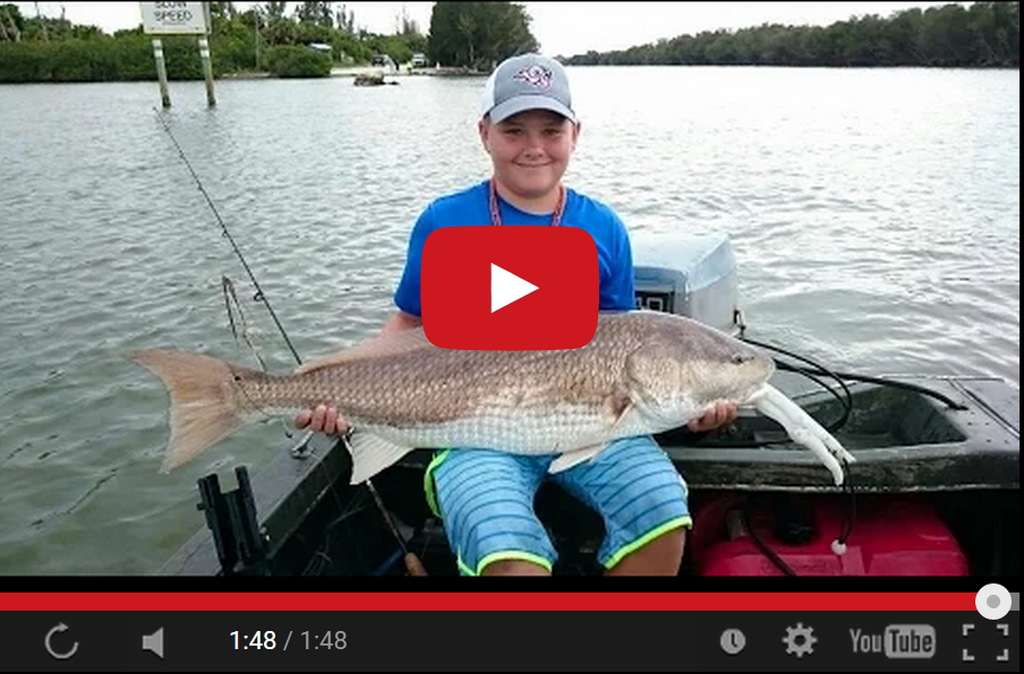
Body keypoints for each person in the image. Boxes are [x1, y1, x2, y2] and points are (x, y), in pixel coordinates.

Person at [295, 53, 736, 576]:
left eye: (551, 130)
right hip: (471, 430)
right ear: (484, 134)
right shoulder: (443, 221)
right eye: (514, 129)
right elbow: (407, 327)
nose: (534, 147)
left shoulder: (604, 227)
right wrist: (325, 382)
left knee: (663, 511)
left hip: (592, 426)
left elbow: (625, 340)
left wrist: (700, 397)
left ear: (576, 134)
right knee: (504, 548)